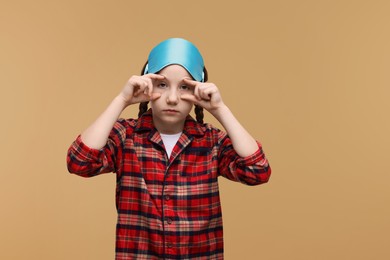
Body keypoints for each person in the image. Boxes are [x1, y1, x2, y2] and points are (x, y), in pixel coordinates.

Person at [67, 38, 271, 260]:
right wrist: (122, 99)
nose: (172, 98)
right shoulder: (125, 136)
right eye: (162, 84)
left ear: (198, 89)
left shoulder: (211, 142)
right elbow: (80, 162)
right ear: (147, 83)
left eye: (184, 87)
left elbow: (258, 170)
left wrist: (220, 109)